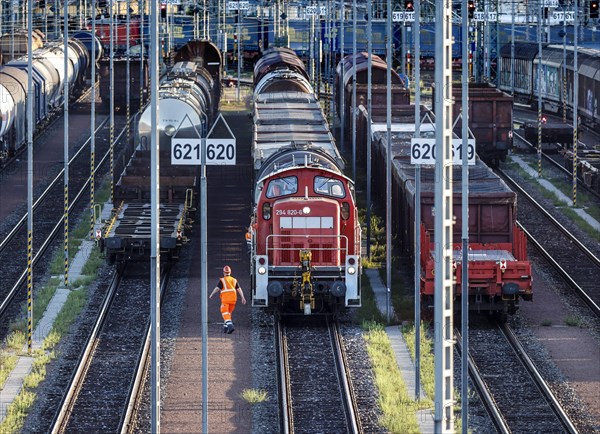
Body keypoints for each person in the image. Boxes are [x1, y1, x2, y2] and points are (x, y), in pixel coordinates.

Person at [209, 265, 246, 334]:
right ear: (230, 272)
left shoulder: (222, 280)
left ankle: (230, 325)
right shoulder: (234, 280)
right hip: (233, 299)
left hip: (226, 299)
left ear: (224, 272)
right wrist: (242, 297)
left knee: (224, 312)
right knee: (228, 313)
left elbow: (217, 288)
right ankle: (225, 328)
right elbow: (239, 289)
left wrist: (211, 294)